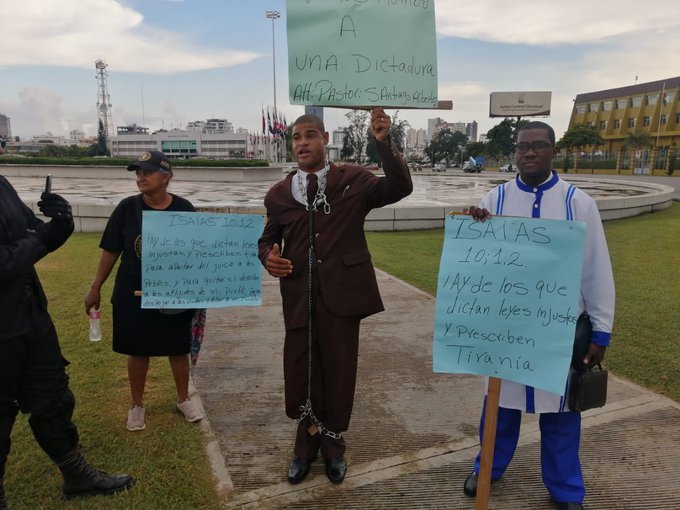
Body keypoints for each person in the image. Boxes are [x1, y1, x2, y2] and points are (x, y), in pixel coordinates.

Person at [463, 121, 615, 510]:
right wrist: (471, 228)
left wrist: (600, 332)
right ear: (515, 152)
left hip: (557, 332)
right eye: (522, 147)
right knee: (499, 407)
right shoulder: (493, 199)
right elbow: (477, 261)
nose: (529, 153)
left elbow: (596, 269)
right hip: (507, 328)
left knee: (561, 414)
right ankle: (488, 469)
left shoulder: (578, 203)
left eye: (538, 146)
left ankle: (565, 490)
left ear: (553, 151)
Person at [258, 109, 412, 485]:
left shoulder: (353, 180)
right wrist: (268, 257)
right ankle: (303, 446)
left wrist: (382, 142)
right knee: (301, 369)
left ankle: (333, 446)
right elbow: (267, 238)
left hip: (342, 295)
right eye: (296, 137)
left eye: (310, 135)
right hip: (298, 297)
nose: (302, 143)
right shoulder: (279, 194)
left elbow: (399, 187)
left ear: (326, 139)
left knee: (340, 371)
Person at [0, 146, 133, 508]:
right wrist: (41, 238)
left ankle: (75, 473)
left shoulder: (2, 184)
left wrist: (60, 223)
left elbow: (34, 231)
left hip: (31, 316)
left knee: (54, 398)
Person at [84, 151, 203, 432]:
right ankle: (137, 405)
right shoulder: (127, 209)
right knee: (137, 351)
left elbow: (200, 251)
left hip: (173, 292)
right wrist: (95, 286)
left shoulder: (184, 209)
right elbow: (111, 249)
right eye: (138, 172)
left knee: (178, 348)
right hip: (131, 291)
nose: (140, 177)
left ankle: (183, 398)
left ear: (166, 177)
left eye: (147, 172)